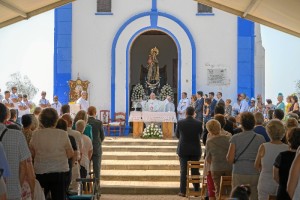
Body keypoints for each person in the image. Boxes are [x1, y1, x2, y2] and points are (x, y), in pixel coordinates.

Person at [30, 108, 74, 200]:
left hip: (41, 172)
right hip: (59, 172)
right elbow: (70, 154)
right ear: (56, 120)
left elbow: (32, 153)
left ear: (41, 120)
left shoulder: (36, 134)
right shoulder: (63, 134)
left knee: (41, 197)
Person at [227, 112, 265, 200]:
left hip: (239, 171)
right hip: (255, 171)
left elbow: (230, 159)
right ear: (253, 123)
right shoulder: (261, 138)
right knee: (254, 195)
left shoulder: (235, 138)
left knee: (238, 196)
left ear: (241, 124)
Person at [0, 103, 32, 200]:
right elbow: (24, 165)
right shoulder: (17, 135)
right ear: (6, 116)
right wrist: (18, 185)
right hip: (12, 192)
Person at [255, 120, 289, 200]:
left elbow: (256, 165)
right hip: (281, 182)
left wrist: (263, 170)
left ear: (268, 132)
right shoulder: (287, 148)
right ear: (283, 132)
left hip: (265, 181)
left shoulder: (263, 146)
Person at [176, 106, 202, 197]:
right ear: (194, 113)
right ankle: (196, 190)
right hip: (195, 149)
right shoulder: (199, 123)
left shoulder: (180, 122)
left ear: (186, 113)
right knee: (195, 170)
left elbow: (177, 135)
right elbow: (200, 135)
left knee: (183, 171)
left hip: (183, 149)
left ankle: (182, 191)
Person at [205, 119, 232, 198]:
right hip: (229, 166)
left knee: (218, 190)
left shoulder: (209, 141)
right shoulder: (228, 138)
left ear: (209, 130)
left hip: (216, 167)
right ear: (219, 127)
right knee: (230, 189)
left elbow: (208, 158)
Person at [273, 127, 300, 200]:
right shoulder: (297, 156)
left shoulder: (282, 156)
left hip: (283, 191)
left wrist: (282, 183)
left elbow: (275, 176)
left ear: (289, 140)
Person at [87, 106, 105, 194]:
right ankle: (96, 191)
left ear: (87, 113)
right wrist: (98, 143)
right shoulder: (98, 123)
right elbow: (102, 136)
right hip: (96, 148)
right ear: (95, 112)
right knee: (96, 170)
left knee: (86, 169)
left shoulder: (84, 122)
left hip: (86, 149)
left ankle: (86, 190)